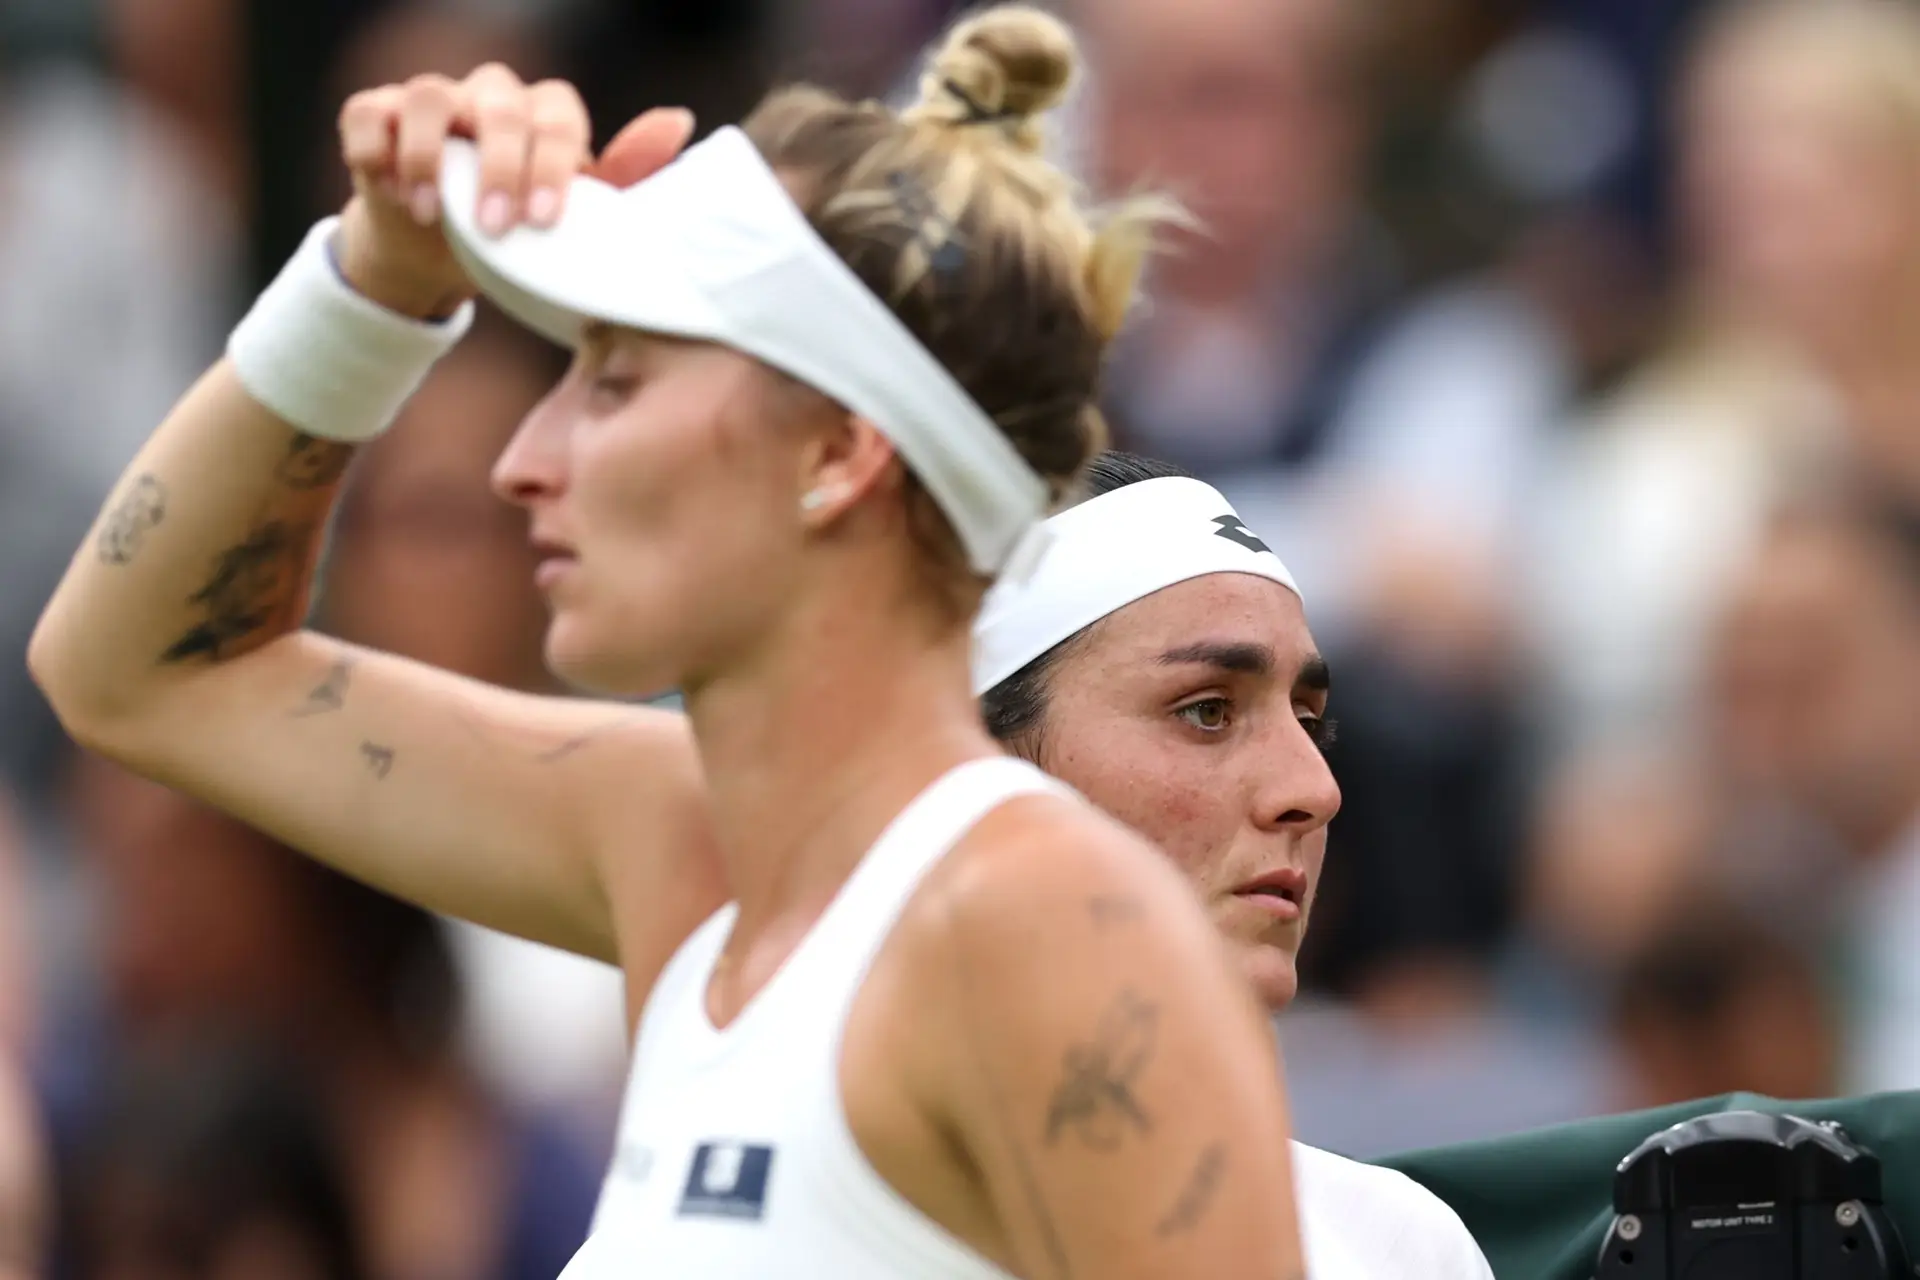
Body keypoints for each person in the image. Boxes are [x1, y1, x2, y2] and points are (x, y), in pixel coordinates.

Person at [29, 7, 1307, 1280]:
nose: (523, 464)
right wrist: (375, 281)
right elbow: (133, 671)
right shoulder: (683, 841)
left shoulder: (1042, 929)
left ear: (837, 451)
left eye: (616, 380)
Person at [975, 450, 1494, 1277]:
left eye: (1310, 719)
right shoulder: (736, 1212)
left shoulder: (1394, 1247)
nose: (1316, 789)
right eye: (1208, 711)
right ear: (966, 763)